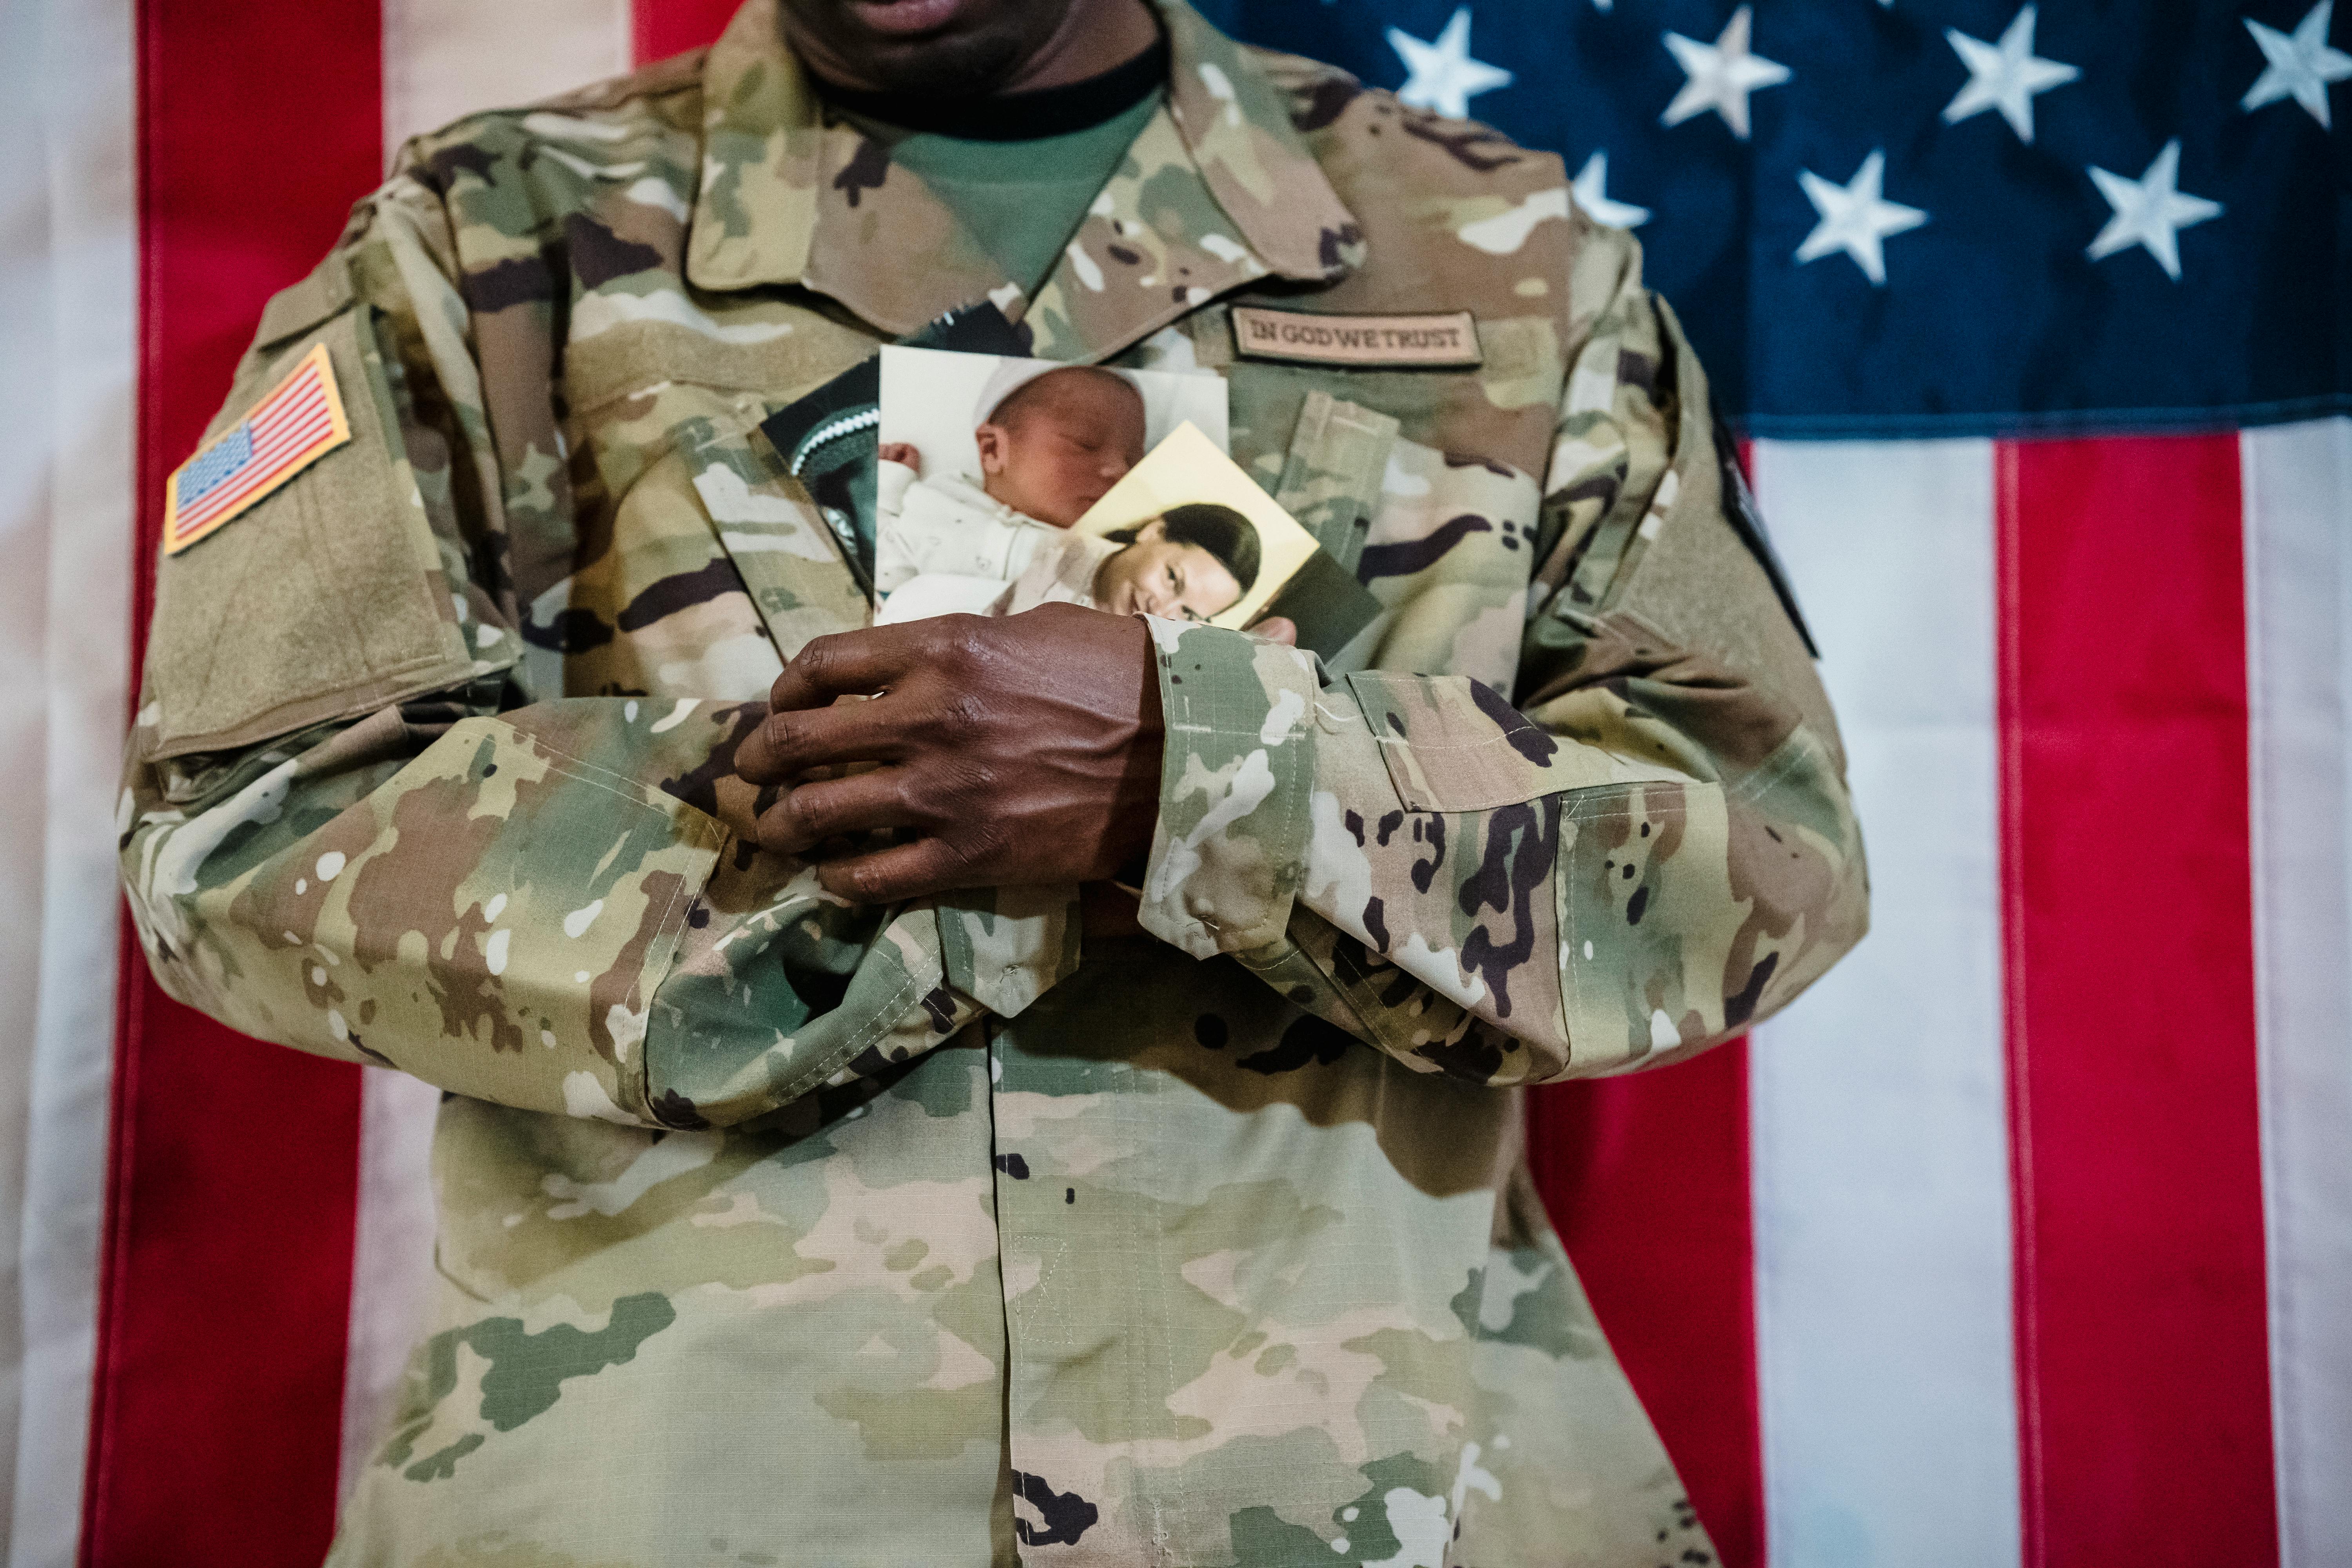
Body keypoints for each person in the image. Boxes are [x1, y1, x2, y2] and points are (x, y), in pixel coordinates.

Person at [118, 0, 1868, 1562]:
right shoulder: (492, 239)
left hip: (1376, 1485)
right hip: (672, 1487)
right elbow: (247, 812)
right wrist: (863, 830)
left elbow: (1756, 844)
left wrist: (1195, 777)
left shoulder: (1503, 255)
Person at [874, 363, 1148, 617]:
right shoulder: (939, 500)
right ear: (992, 449)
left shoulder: (1100, 555)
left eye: (1134, 461)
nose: (1120, 471)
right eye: (1085, 444)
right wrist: (889, 482)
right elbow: (883, 558)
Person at [990, 502, 1260, 621]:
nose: (1162, 611)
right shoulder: (1045, 550)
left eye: (1187, 613)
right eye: (1172, 579)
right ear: (1152, 533)